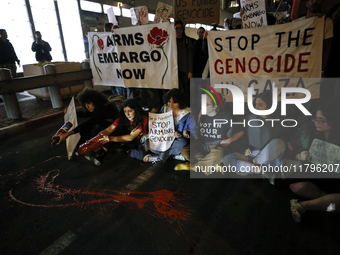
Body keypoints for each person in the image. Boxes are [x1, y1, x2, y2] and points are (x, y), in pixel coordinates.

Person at [286, 104, 340, 222]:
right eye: (316, 119)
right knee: (294, 185)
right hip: (315, 174)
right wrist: (299, 155)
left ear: (333, 121)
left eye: (322, 120)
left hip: (335, 177)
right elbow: (292, 148)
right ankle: (327, 200)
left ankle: (304, 205)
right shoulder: (311, 132)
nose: (317, 122)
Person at [222, 92, 286, 178]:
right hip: (251, 155)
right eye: (255, 104)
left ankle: (256, 166)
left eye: (260, 105)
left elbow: (280, 145)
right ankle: (258, 170)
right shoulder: (250, 118)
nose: (256, 108)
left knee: (279, 142)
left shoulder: (279, 122)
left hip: (267, 157)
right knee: (227, 160)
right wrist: (243, 148)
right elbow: (238, 132)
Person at [175, 93, 243, 173]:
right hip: (202, 146)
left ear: (215, 106)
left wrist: (230, 140)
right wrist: (186, 130)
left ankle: (194, 166)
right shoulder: (199, 114)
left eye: (206, 104)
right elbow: (193, 129)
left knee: (220, 153)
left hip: (217, 147)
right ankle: (213, 164)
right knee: (184, 150)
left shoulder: (226, 116)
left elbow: (241, 131)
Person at [143, 89, 190, 163]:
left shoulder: (187, 113)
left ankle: (159, 157)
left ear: (181, 102)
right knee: (151, 143)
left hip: (177, 139)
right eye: (169, 101)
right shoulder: (165, 108)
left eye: (174, 102)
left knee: (182, 142)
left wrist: (183, 132)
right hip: (164, 137)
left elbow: (189, 130)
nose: (171, 104)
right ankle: (173, 156)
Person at [175, 21, 193, 100]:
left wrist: (190, 71)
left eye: (180, 28)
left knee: (185, 90)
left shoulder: (187, 41)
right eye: (176, 28)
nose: (178, 30)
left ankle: (186, 106)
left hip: (184, 70)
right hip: (174, 71)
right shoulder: (171, 41)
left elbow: (190, 57)